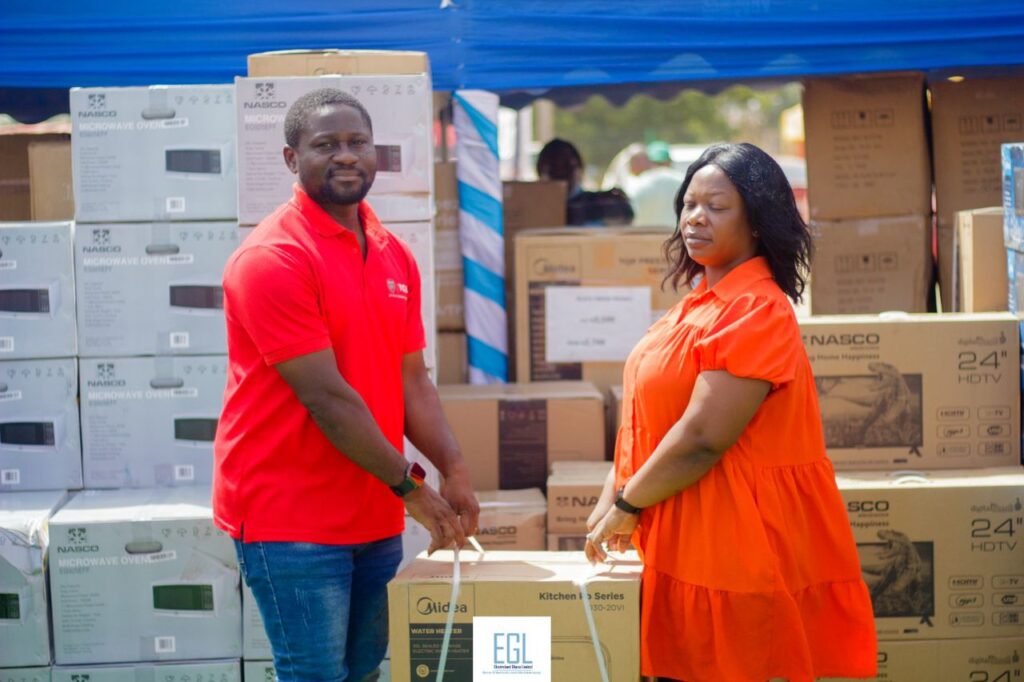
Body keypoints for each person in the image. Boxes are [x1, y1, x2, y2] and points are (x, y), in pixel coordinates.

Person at [213, 88, 479, 682]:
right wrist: (413, 488)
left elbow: (412, 378)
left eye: (358, 142)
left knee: (363, 671)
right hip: (291, 517)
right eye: (325, 144)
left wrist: (454, 468)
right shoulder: (273, 257)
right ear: (291, 159)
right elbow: (326, 400)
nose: (346, 155)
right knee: (315, 675)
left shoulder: (392, 252)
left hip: (374, 506)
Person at [584, 143, 877, 682]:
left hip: (728, 544)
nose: (695, 218)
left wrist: (626, 503)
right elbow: (653, 416)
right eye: (688, 204)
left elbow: (702, 436)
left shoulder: (756, 310)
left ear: (758, 223)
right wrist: (614, 491)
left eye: (716, 207)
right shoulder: (701, 301)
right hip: (680, 532)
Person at [536, 138, 634, 226]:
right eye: (554, 168)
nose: (560, 172)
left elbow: (625, 214)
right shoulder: (533, 207)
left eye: (566, 167)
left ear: (579, 169)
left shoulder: (601, 201)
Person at [629, 141, 686, 228]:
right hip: (675, 233)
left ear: (649, 160)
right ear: (669, 161)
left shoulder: (638, 182)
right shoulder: (683, 181)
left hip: (643, 234)